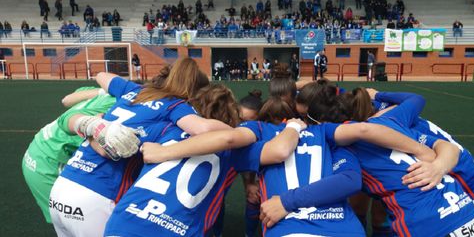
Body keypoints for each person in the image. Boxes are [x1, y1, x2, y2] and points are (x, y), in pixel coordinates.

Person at [139, 96, 434, 237]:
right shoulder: (326, 134)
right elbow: (351, 174)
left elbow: (229, 145)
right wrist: (424, 150)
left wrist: (165, 152)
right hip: (344, 230)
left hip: (292, 230)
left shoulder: (258, 143)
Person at [260, 87, 474, 237]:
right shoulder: (390, 121)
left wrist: (286, 201)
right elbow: (447, 146)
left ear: (324, 122)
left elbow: (349, 181)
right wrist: (435, 163)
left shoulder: (343, 145)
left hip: (426, 224)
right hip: (465, 208)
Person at [49, 59, 231, 237]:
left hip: (63, 185)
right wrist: (241, 131)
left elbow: (101, 75)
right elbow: (203, 129)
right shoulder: (176, 106)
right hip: (99, 192)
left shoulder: (134, 90)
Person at [22, 87, 116, 223]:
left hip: (37, 150)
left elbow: (66, 100)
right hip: (50, 162)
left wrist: (103, 91)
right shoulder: (116, 108)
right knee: (73, 222)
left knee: (69, 222)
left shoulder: (103, 91)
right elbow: (104, 150)